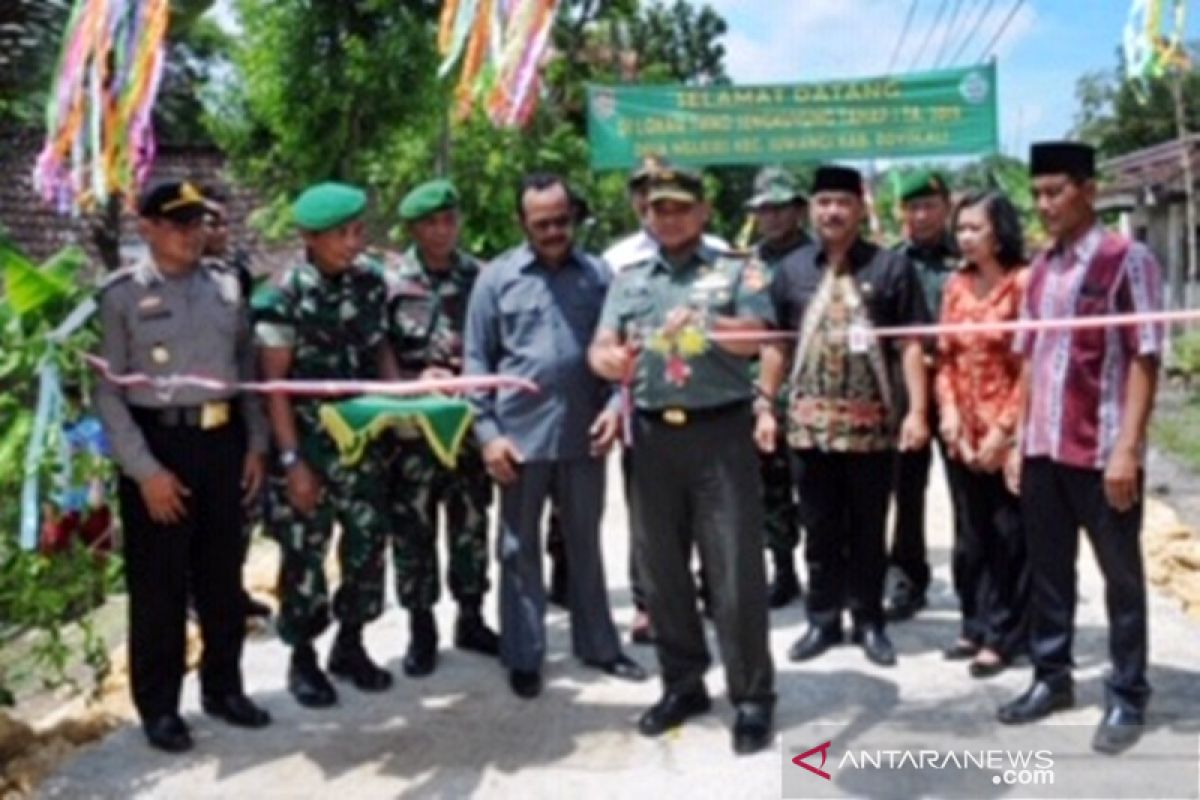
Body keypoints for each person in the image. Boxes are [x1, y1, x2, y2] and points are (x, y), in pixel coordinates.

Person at [590, 168, 776, 755]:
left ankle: (751, 697)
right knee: (661, 571)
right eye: (656, 208)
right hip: (652, 439)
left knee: (735, 572)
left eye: (679, 208)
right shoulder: (629, 278)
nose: (667, 218)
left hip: (719, 435)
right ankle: (683, 683)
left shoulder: (736, 269)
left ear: (702, 212)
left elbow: (759, 339)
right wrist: (610, 360)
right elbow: (601, 347)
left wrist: (709, 325)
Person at [997, 141, 1164, 756]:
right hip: (1044, 448)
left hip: (1101, 451)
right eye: (1036, 193)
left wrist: (1128, 450)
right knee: (1048, 572)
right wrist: (1018, 439)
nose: (1043, 205)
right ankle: (1052, 678)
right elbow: (1030, 360)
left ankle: (1126, 692)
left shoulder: (1128, 259)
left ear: (1088, 190)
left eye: (1054, 191)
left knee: (1120, 576)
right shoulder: (1041, 268)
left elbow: (1146, 357)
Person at [95, 180, 272, 753]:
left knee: (223, 579)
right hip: (158, 447)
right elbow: (108, 394)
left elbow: (246, 375)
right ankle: (161, 708)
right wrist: (144, 471)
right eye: (177, 223)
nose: (192, 233)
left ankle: (224, 688)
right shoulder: (121, 296)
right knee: (159, 588)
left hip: (223, 444)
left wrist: (256, 444)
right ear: (146, 228)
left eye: (198, 222)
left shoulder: (225, 287)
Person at [463, 172, 644, 699]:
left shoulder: (599, 276)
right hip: (518, 439)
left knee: (585, 545)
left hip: (584, 434)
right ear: (522, 223)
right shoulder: (496, 279)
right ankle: (523, 654)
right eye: (542, 223)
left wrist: (616, 405)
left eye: (562, 221)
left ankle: (599, 646)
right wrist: (488, 435)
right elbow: (477, 362)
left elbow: (625, 354)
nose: (554, 231)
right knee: (519, 550)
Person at [759, 165, 931, 668]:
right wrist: (766, 406)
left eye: (842, 202)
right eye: (823, 202)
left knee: (869, 527)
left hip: (873, 429)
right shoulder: (792, 270)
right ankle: (823, 619)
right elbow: (775, 345)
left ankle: (869, 621)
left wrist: (917, 412)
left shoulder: (890, 268)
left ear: (860, 208)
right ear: (811, 209)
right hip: (809, 430)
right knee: (819, 526)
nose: (832, 211)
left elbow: (910, 345)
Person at [254, 182, 400, 708]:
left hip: (362, 443)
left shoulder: (369, 284)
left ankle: (351, 643)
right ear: (309, 238)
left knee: (366, 544)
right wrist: (292, 462)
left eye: (359, 230)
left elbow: (379, 345)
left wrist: (397, 400)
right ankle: (303, 658)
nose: (354, 241)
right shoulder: (282, 297)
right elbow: (275, 389)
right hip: (308, 446)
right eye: (343, 233)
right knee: (305, 554)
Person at [385, 178, 499, 677]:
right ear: (412, 228)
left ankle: (471, 617)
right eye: (430, 222)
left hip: (469, 426)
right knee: (413, 526)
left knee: (472, 522)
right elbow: (376, 353)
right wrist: (413, 380)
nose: (441, 230)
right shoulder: (388, 282)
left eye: (449, 219)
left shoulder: (482, 277)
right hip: (412, 428)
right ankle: (421, 626)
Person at [934, 190, 1029, 678]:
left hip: (1006, 433)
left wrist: (1005, 432)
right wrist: (948, 412)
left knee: (1008, 534)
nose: (966, 237)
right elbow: (945, 357)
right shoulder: (955, 285)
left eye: (975, 228)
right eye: (962, 229)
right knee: (970, 535)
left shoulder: (1022, 284)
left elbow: (1030, 365)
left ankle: (1006, 633)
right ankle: (974, 623)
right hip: (962, 434)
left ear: (1000, 230)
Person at [886, 169, 959, 623]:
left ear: (945, 208)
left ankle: (978, 579)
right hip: (905, 388)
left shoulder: (970, 256)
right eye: (912, 207)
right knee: (906, 488)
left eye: (929, 206)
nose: (921, 215)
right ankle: (907, 578)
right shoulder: (892, 261)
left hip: (959, 387)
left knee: (969, 492)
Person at [200, 184, 273, 622]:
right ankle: (198, 596)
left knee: (240, 509)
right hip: (187, 415)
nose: (219, 230)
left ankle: (232, 588)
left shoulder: (236, 277)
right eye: (210, 221)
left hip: (236, 406)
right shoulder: (163, 279)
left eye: (224, 221)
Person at [744, 166, 810, 608]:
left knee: (820, 489)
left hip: (811, 391)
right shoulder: (747, 263)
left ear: (799, 210)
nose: (771, 217)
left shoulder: (821, 257)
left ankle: (833, 573)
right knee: (769, 489)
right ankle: (783, 570)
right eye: (763, 210)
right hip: (760, 393)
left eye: (779, 208)